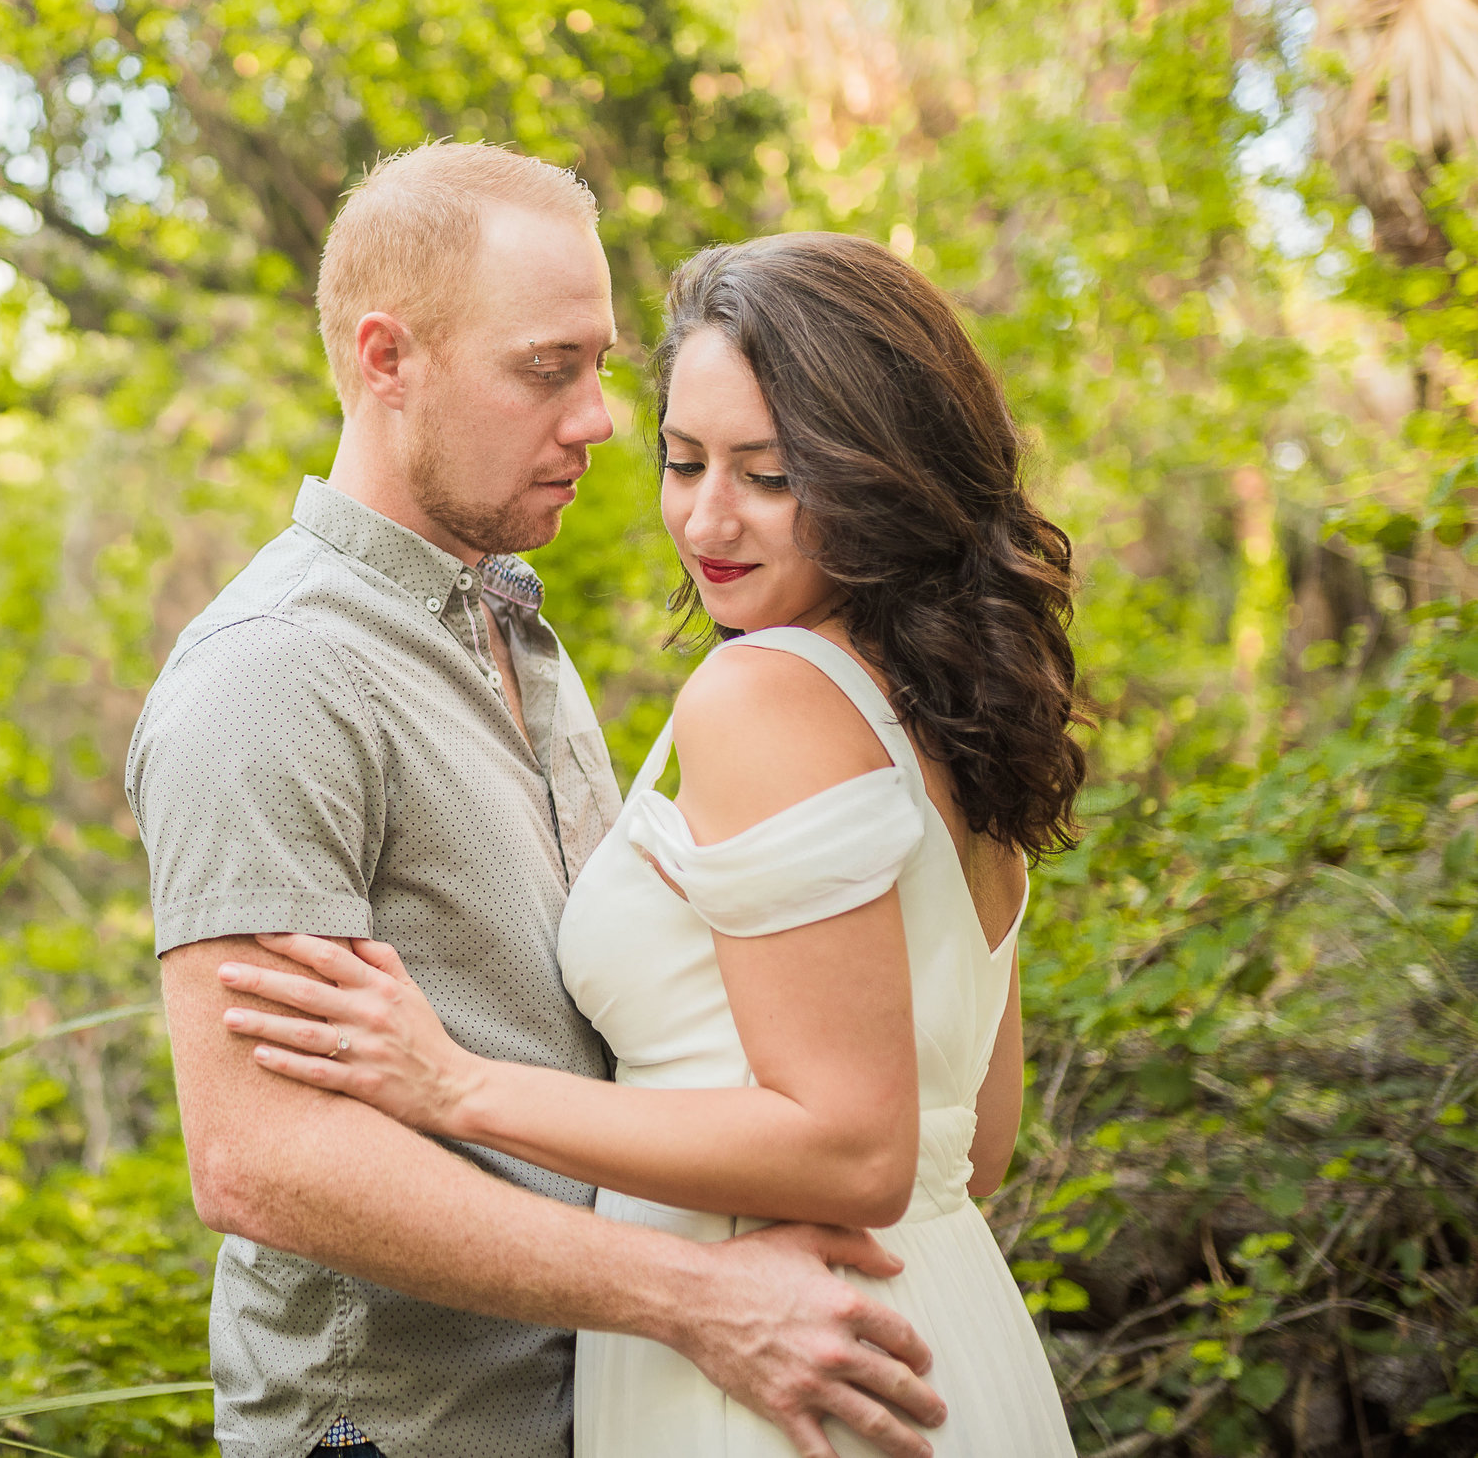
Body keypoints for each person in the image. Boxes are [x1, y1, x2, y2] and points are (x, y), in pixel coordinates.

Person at [126, 151, 951, 1458]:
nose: (602, 420)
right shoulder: (272, 673)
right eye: (546, 369)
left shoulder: (513, 621)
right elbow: (261, 1157)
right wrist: (697, 1298)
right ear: (387, 360)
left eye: (602, 364)